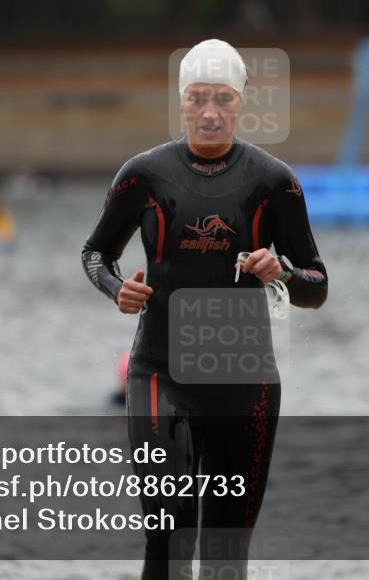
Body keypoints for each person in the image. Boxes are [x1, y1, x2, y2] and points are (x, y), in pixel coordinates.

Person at [82, 40, 327, 579]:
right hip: (160, 375)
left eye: (222, 99)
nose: (210, 113)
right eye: (197, 99)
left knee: (223, 556)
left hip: (247, 383)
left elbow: (317, 285)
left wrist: (280, 272)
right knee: (168, 537)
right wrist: (116, 288)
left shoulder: (273, 181)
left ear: (241, 103)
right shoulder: (143, 176)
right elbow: (95, 253)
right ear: (182, 102)